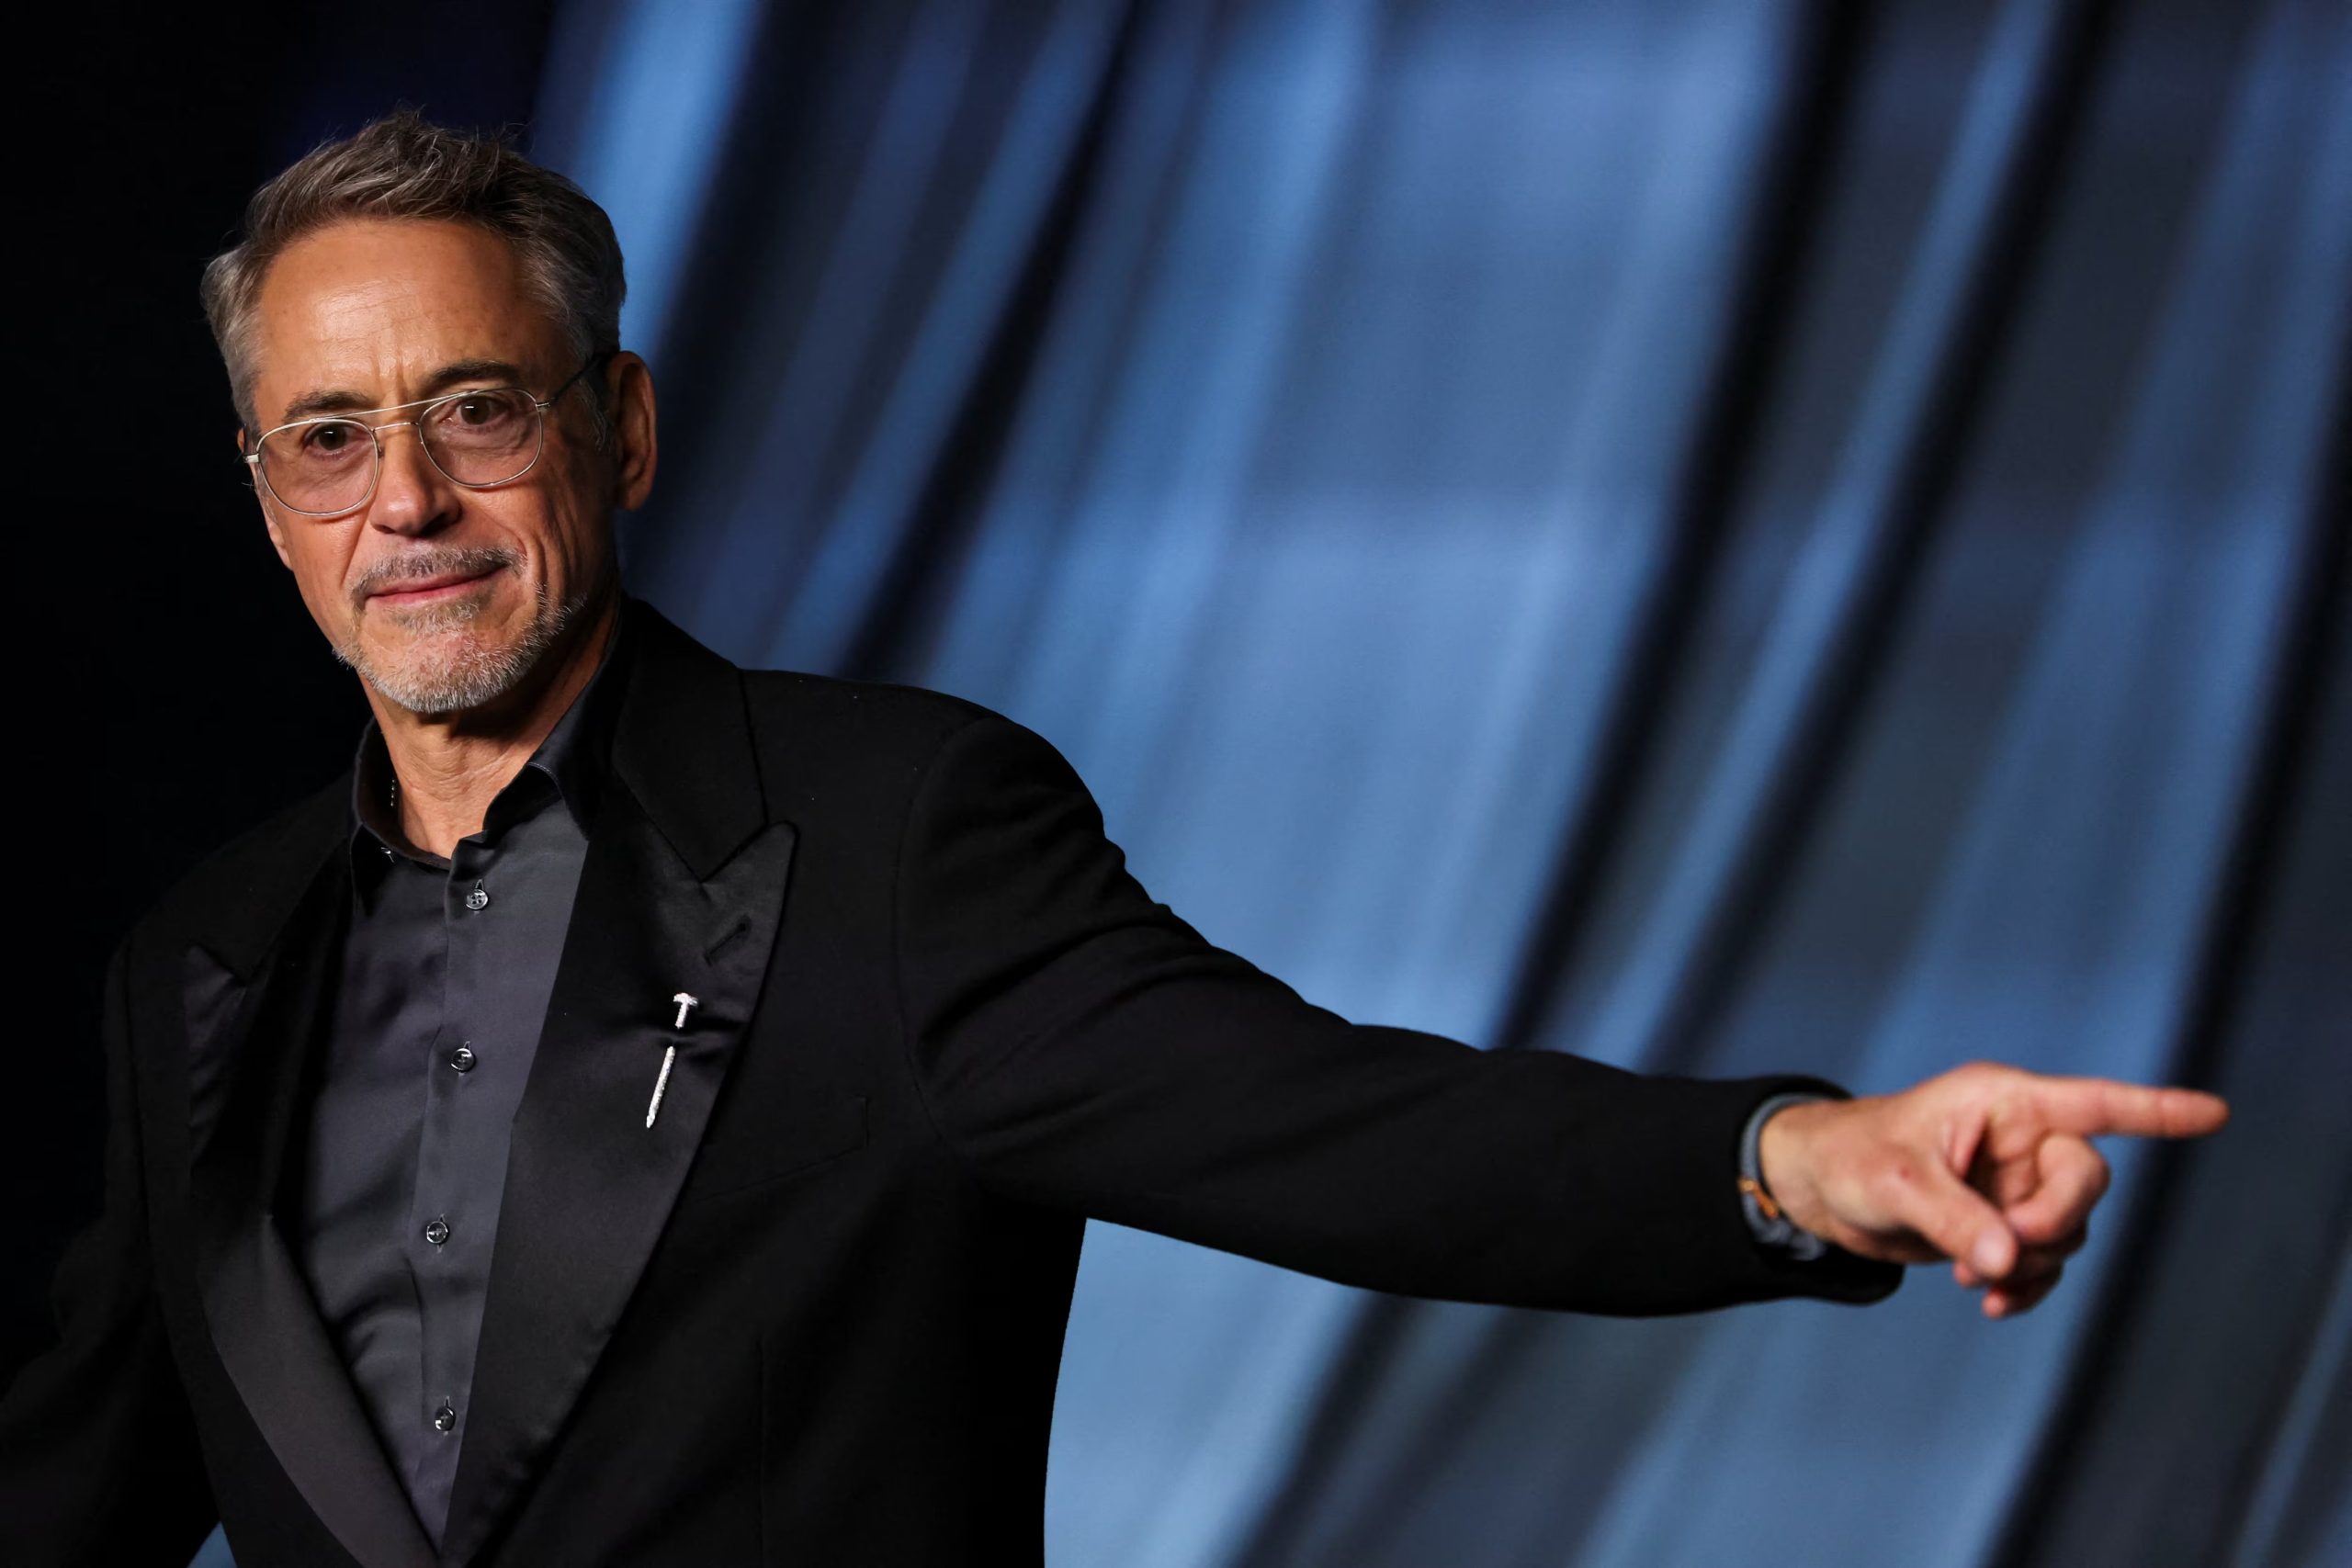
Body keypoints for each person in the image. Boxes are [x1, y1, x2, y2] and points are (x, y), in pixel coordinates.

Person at [0, 112, 2229, 1568]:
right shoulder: (197, 962)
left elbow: (1341, 1132)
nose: (404, 498)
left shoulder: (895, 836)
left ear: (624, 428)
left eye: (475, 411)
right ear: (267, 501)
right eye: (328, 436)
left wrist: (1793, 1159)